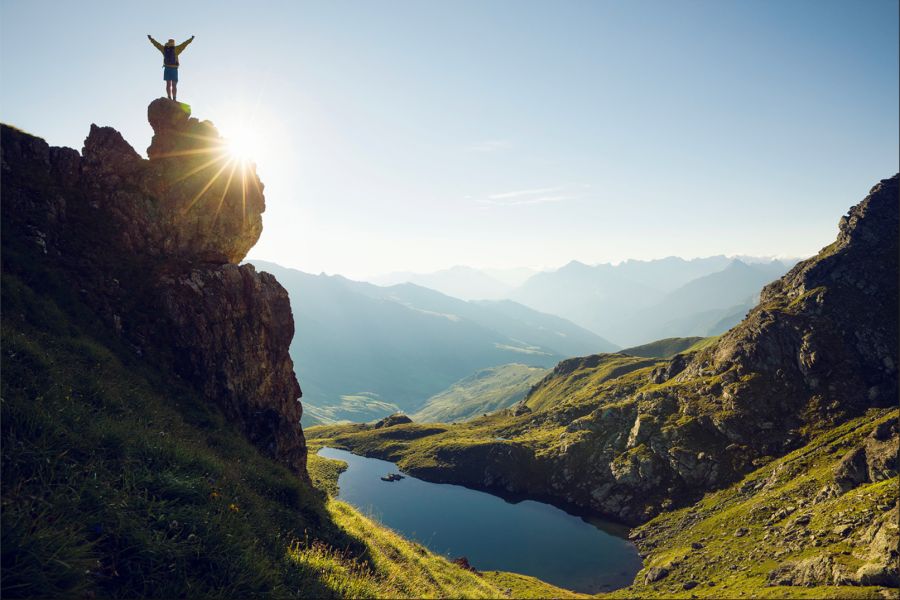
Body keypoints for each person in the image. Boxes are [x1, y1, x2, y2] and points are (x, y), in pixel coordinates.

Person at [147, 34, 195, 101]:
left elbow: (156, 44)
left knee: (168, 84)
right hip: (174, 69)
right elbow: (185, 44)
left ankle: (169, 97)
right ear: (173, 43)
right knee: (174, 85)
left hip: (167, 68)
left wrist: (151, 39)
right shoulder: (176, 49)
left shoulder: (164, 49)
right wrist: (191, 39)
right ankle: (174, 98)